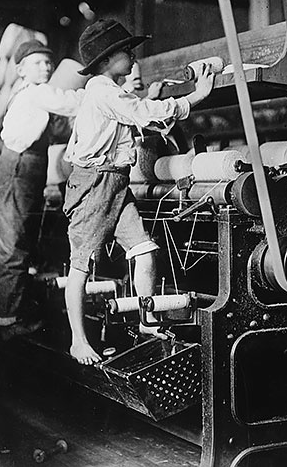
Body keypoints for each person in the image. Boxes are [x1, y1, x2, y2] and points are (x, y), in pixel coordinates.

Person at [63, 19, 214, 365]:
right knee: (81, 266)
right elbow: (143, 113)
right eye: (126, 51)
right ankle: (77, 341)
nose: (133, 56)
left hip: (116, 182)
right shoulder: (103, 91)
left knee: (145, 249)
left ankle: (147, 321)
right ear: (105, 61)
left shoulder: (111, 91)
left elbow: (141, 112)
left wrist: (159, 101)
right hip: (95, 185)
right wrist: (196, 96)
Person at [0, 39, 84, 329]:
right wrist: (103, 90)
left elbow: (56, 129)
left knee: (13, 241)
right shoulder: (36, 92)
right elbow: (72, 103)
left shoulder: (26, 93)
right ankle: (9, 320)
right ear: (21, 70)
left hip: (23, 164)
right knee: (16, 243)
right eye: (38, 63)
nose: (46, 67)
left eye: (48, 62)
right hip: (22, 165)